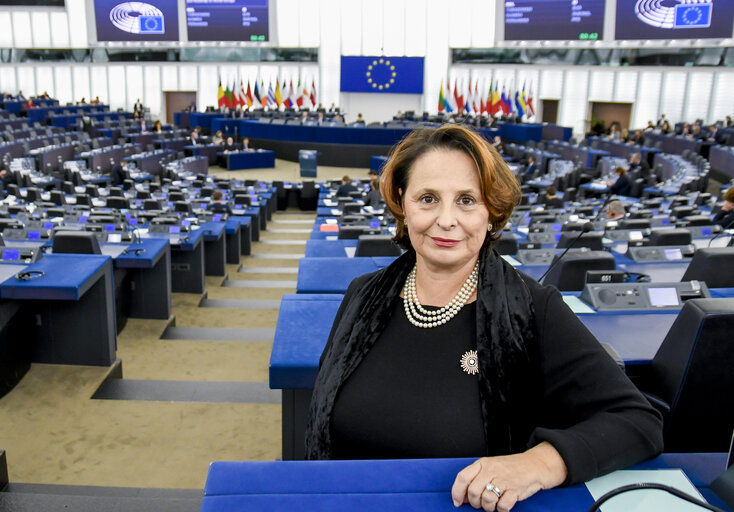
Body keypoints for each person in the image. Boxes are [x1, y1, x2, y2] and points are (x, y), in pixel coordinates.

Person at [305, 125, 663, 512]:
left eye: (466, 200)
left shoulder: (532, 309)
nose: (446, 220)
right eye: (427, 198)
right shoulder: (362, 295)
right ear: (401, 204)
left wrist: (540, 463)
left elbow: (638, 421)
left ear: (491, 212)